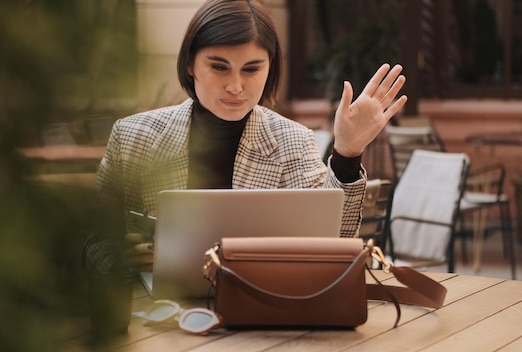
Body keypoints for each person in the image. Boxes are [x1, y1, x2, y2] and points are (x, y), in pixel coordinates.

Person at [91, 0, 407, 272]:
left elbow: (332, 246)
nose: (236, 86)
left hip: (261, 309)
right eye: (219, 67)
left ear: (270, 68)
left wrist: (347, 153)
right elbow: (94, 245)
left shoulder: (291, 140)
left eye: (251, 69)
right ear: (190, 64)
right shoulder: (134, 137)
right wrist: (118, 258)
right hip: (155, 316)